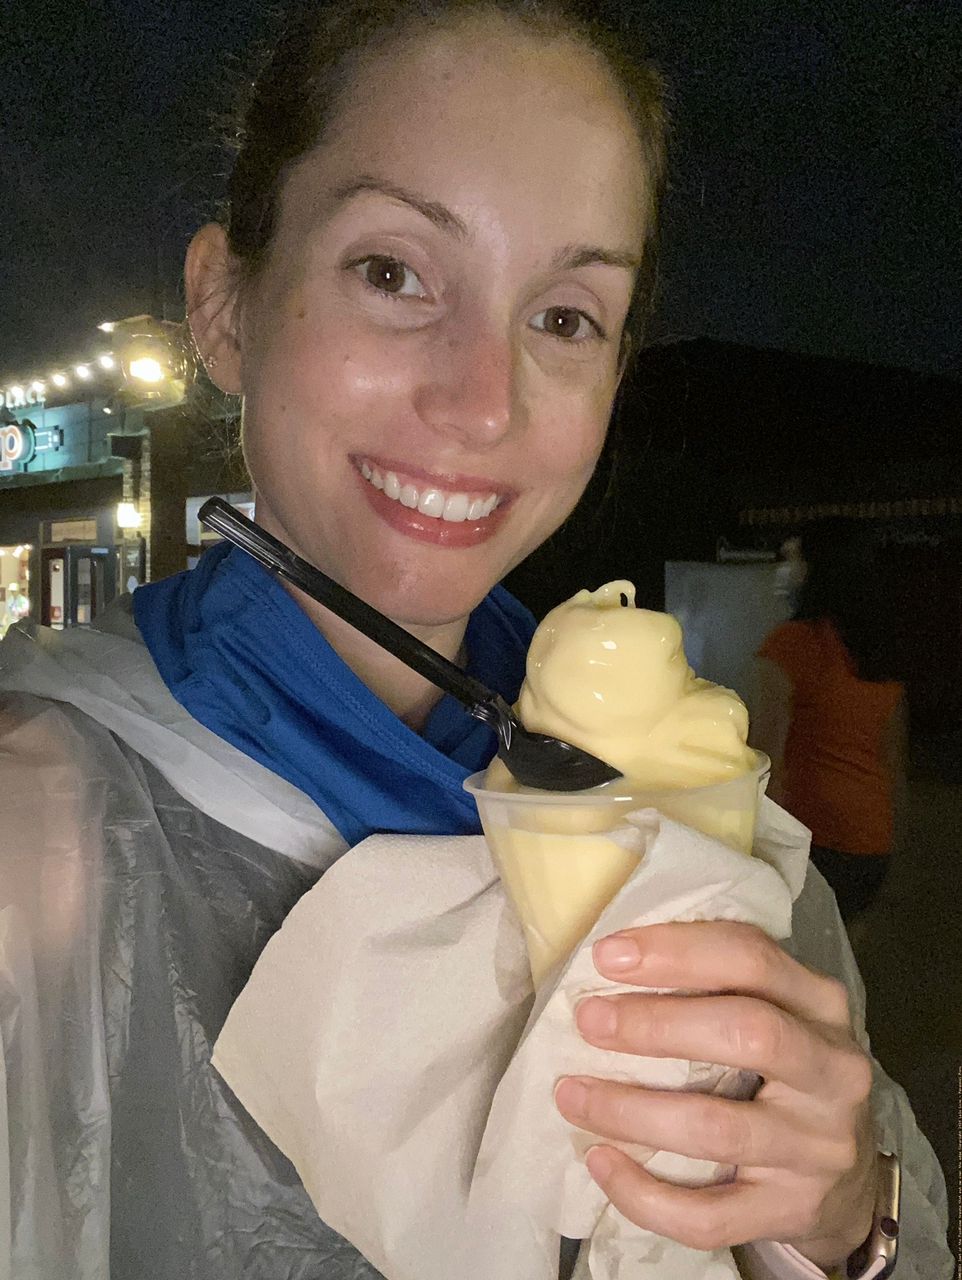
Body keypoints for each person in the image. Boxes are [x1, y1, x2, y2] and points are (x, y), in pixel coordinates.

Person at [0, 3, 951, 1278]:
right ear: (224, 307)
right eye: (391, 272)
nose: (481, 402)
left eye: (563, 316)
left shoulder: (673, 805)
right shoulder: (45, 833)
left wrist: (841, 1223)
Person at [754, 521, 907, 922]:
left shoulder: (793, 644)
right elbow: (892, 763)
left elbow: (765, 756)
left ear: (818, 570)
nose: (784, 571)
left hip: (810, 836)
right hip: (872, 841)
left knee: (797, 952)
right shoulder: (879, 653)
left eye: (793, 559)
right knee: (844, 951)